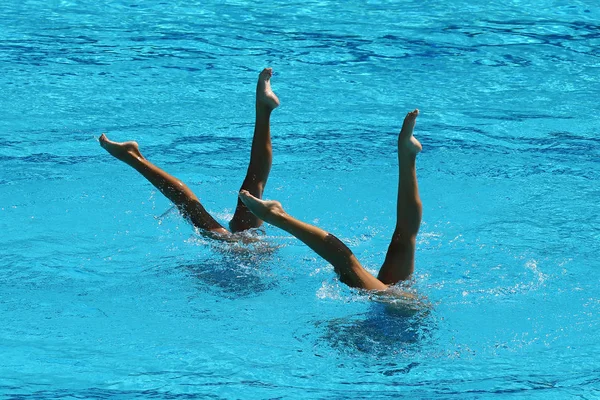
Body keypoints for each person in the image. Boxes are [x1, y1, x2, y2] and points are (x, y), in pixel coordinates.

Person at [238, 109, 423, 291]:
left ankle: (407, 155)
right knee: (350, 262)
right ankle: (278, 216)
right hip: (395, 304)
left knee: (402, 239)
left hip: (399, 303)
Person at [99, 68, 280, 240]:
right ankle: (133, 157)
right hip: (242, 253)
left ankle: (263, 109)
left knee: (253, 187)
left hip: (248, 251)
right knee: (203, 211)